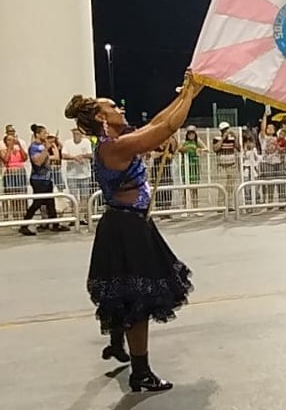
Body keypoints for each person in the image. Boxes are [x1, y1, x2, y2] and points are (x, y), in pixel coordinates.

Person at [64, 74, 202, 393]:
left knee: (126, 294)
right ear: (101, 117)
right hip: (126, 228)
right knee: (138, 299)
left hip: (127, 224)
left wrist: (186, 93)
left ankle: (117, 344)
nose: (120, 108)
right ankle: (140, 371)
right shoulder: (115, 147)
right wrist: (190, 97)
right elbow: (165, 130)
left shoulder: (119, 141)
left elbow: (158, 121)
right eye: (113, 106)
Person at [23, 125, 69, 236]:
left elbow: (55, 158)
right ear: (37, 135)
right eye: (44, 133)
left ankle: (55, 224)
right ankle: (24, 225)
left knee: (50, 202)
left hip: (47, 178)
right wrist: (46, 150)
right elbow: (38, 162)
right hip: (38, 179)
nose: (46, 135)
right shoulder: (33, 147)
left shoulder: (44, 147)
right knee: (37, 202)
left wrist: (52, 147)